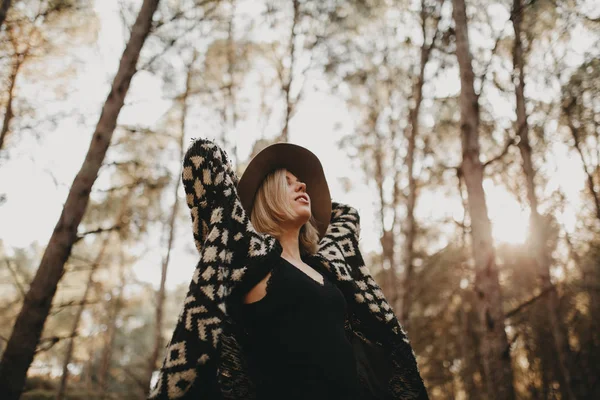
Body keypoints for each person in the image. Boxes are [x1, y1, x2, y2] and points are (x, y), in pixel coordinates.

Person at [148, 138, 428, 400]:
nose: (303, 186)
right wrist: (244, 199)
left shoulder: (325, 265)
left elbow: (346, 216)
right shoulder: (251, 258)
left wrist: (319, 204)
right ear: (266, 198)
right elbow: (203, 155)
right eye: (288, 182)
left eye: (302, 182)